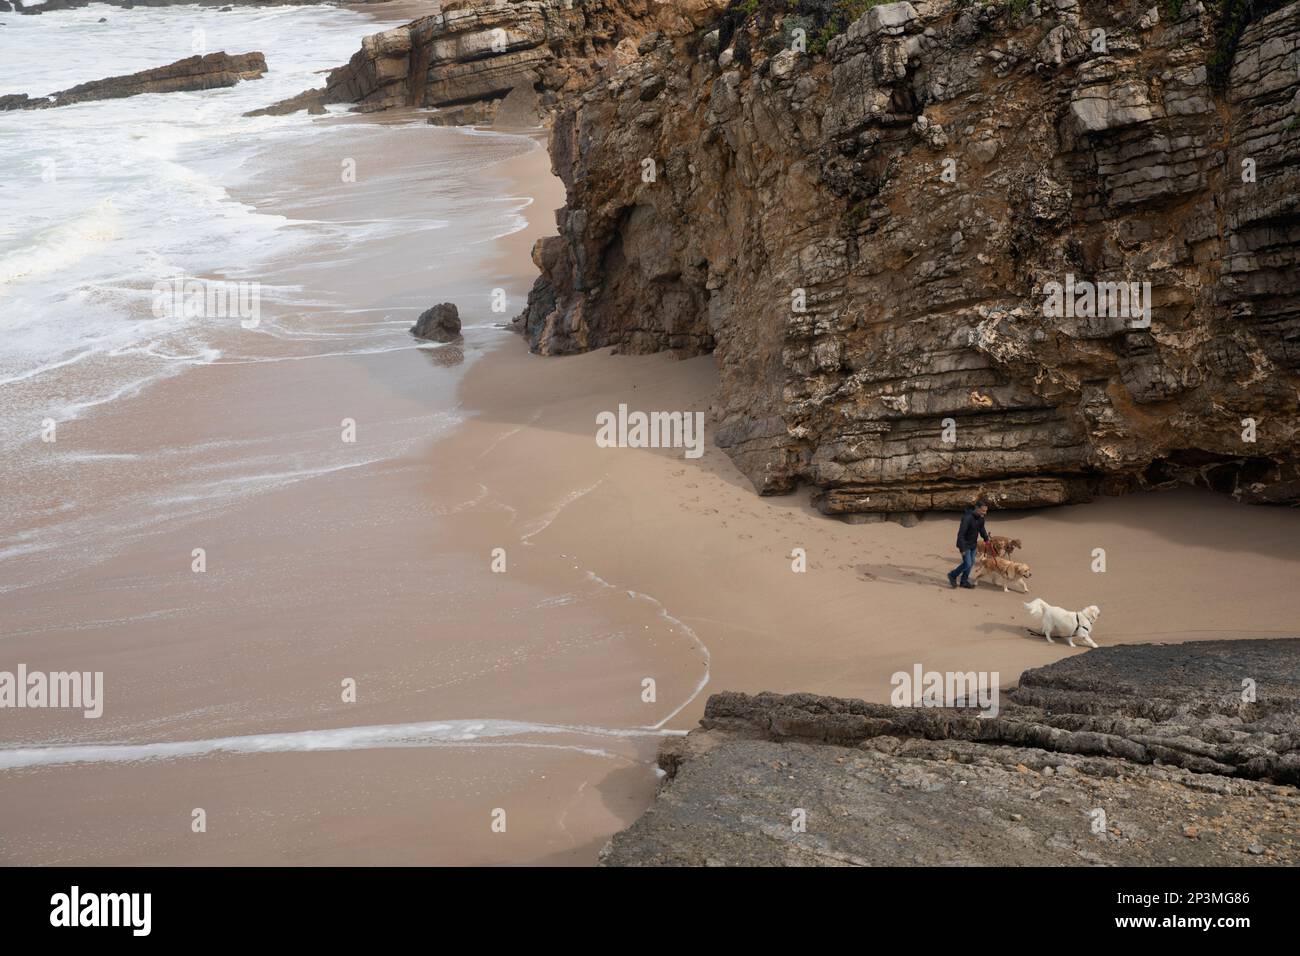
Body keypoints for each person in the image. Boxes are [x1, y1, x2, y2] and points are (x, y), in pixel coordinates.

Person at [948, 500, 991, 589]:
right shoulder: (967, 518)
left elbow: (982, 529)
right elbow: (961, 534)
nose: (985, 513)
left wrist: (986, 539)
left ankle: (964, 581)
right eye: (983, 511)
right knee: (967, 564)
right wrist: (962, 549)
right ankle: (952, 575)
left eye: (986, 511)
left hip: (973, 544)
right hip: (965, 544)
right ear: (977, 508)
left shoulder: (981, 518)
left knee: (971, 564)